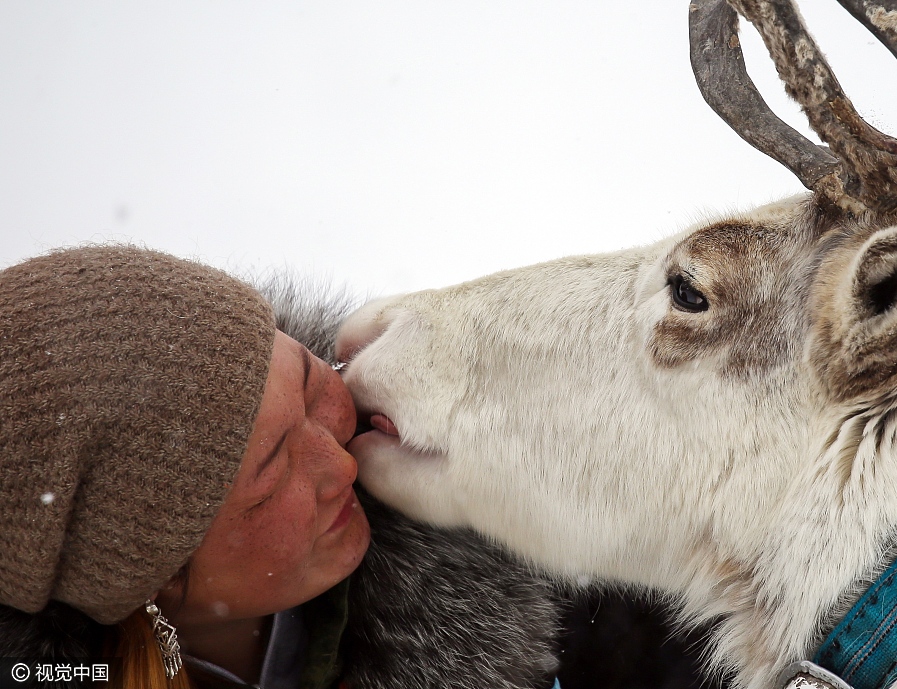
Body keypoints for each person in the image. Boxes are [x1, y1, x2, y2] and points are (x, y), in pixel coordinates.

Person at [0, 245, 560, 689]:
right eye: (271, 477)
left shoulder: (548, 563)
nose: (343, 464)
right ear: (157, 578)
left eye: (314, 384)